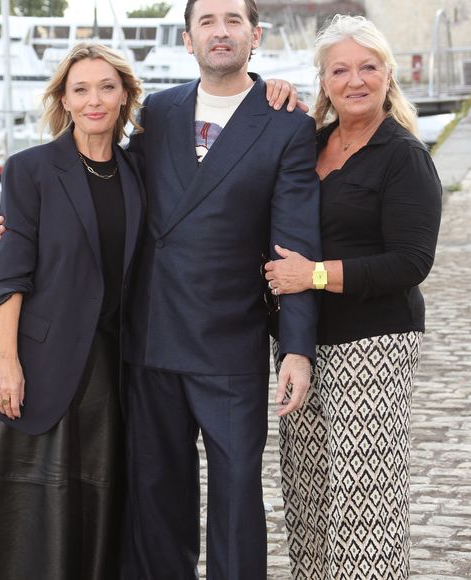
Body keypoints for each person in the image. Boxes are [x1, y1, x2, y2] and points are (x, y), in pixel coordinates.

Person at [119, 0, 321, 578]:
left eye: (233, 20)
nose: (220, 31)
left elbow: (295, 246)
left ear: (255, 36)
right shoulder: (158, 112)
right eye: (206, 21)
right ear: (188, 40)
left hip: (230, 342)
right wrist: (30, 219)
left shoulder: (286, 124)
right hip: (153, 337)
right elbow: (113, 190)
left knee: (236, 499)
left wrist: (298, 349)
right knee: (156, 496)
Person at [0, 43, 145, 580]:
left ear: (125, 94)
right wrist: (7, 360)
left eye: (106, 87)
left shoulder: (137, 174)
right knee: (16, 513)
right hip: (33, 363)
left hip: (108, 371)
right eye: (80, 89)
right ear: (64, 99)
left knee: (90, 505)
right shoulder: (30, 169)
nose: (94, 99)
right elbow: (10, 275)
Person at [264, 15, 442, 580]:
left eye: (368, 67)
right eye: (340, 69)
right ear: (324, 81)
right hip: (301, 344)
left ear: (388, 75)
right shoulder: (309, 144)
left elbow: (411, 262)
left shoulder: (403, 156)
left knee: (364, 510)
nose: (355, 80)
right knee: (310, 498)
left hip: (374, 347)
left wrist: (313, 275)